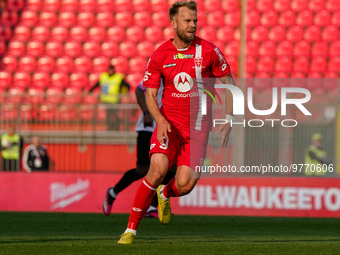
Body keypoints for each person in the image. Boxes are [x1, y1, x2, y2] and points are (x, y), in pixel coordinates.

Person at [118, 1, 235, 244]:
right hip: (168, 125)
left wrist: (230, 117)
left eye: (195, 21)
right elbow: (149, 95)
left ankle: (164, 192)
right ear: (173, 24)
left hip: (198, 129)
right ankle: (130, 230)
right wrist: (159, 120)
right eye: (187, 21)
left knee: (186, 183)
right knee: (157, 169)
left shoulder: (210, 51)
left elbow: (231, 86)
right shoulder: (160, 54)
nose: (193, 25)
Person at [102, 80, 176, 218]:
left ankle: (153, 205)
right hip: (148, 128)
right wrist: (146, 112)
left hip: (166, 129)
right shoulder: (160, 74)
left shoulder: (182, 77)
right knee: (142, 169)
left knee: (172, 167)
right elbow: (139, 90)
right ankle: (113, 192)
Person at [88, 65, 131, 131]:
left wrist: (125, 94)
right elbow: (97, 84)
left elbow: (127, 85)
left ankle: (116, 128)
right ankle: (110, 128)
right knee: (108, 115)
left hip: (115, 100)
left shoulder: (118, 77)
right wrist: (90, 91)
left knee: (115, 115)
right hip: (106, 100)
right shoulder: (103, 76)